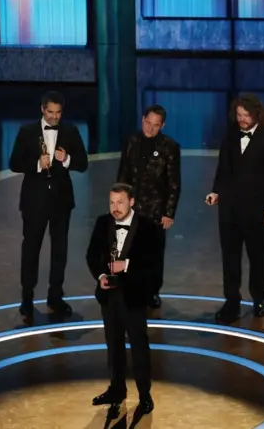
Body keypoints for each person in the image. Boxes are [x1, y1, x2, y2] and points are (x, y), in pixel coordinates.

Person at [205, 94, 264, 323]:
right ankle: (232, 302)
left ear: (256, 114)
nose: (241, 119)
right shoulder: (230, 135)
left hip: (257, 211)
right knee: (230, 259)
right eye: (239, 115)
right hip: (229, 210)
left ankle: (259, 299)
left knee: (257, 257)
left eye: (246, 115)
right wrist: (215, 192)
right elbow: (223, 168)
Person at [9, 91, 88, 318]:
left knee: (59, 251)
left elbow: (83, 163)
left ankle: (55, 296)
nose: (54, 117)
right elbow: (14, 162)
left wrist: (67, 159)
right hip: (34, 201)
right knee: (31, 249)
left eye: (58, 113)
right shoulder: (27, 132)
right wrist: (36, 164)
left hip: (61, 202)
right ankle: (27, 297)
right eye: (50, 113)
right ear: (42, 110)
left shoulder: (70, 131)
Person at [86, 183, 156, 418]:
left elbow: (152, 265)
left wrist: (126, 266)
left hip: (134, 296)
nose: (115, 208)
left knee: (138, 347)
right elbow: (91, 255)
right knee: (113, 345)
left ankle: (145, 396)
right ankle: (117, 390)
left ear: (132, 201)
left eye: (120, 202)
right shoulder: (102, 222)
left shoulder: (147, 227)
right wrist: (101, 275)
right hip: (109, 297)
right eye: (112, 202)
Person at [116, 104, 181, 308]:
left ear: (162, 126)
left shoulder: (170, 147)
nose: (150, 128)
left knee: (153, 253)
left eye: (155, 125)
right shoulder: (131, 141)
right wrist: (118, 203)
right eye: (147, 123)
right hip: (131, 207)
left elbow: (173, 182)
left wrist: (169, 212)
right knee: (127, 249)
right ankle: (129, 289)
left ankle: (152, 291)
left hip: (155, 210)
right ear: (142, 119)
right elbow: (123, 173)